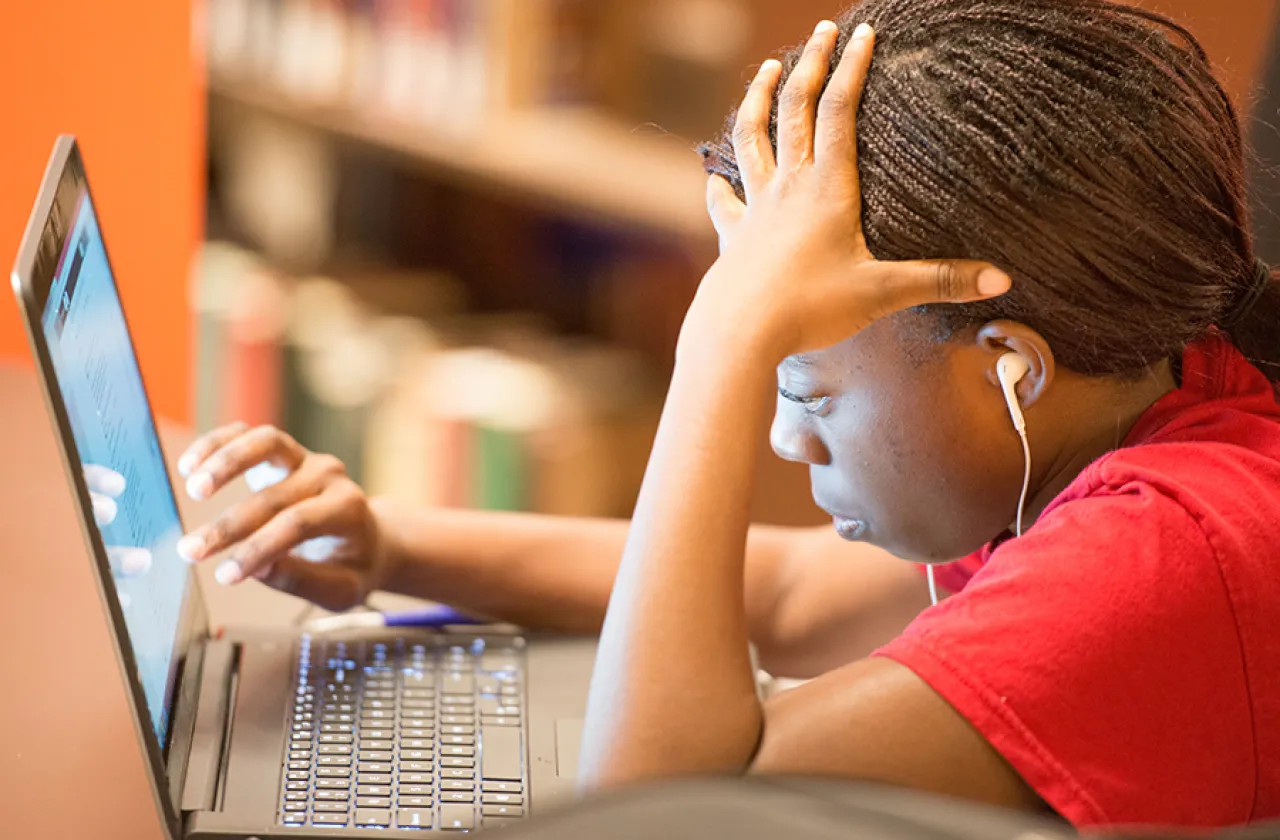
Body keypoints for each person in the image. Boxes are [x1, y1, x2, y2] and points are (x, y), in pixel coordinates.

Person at [174, 0, 1280, 829]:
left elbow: (661, 813)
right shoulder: (1139, 382)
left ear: (1009, 369)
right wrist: (388, 544)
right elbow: (793, 596)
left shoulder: (1168, 552)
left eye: (805, 391)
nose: (782, 439)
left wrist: (719, 342)